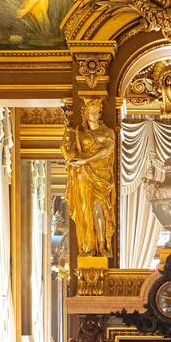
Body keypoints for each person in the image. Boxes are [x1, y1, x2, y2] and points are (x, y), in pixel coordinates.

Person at [63, 102, 116, 257]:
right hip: (82, 176)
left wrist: (86, 160)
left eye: (96, 112)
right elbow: (69, 152)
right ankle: (88, 247)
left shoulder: (106, 132)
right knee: (85, 212)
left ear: (100, 113)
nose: (93, 115)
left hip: (101, 176)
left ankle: (102, 248)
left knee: (99, 211)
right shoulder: (79, 134)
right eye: (90, 112)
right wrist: (70, 156)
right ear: (85, 114)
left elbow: (107, 151)